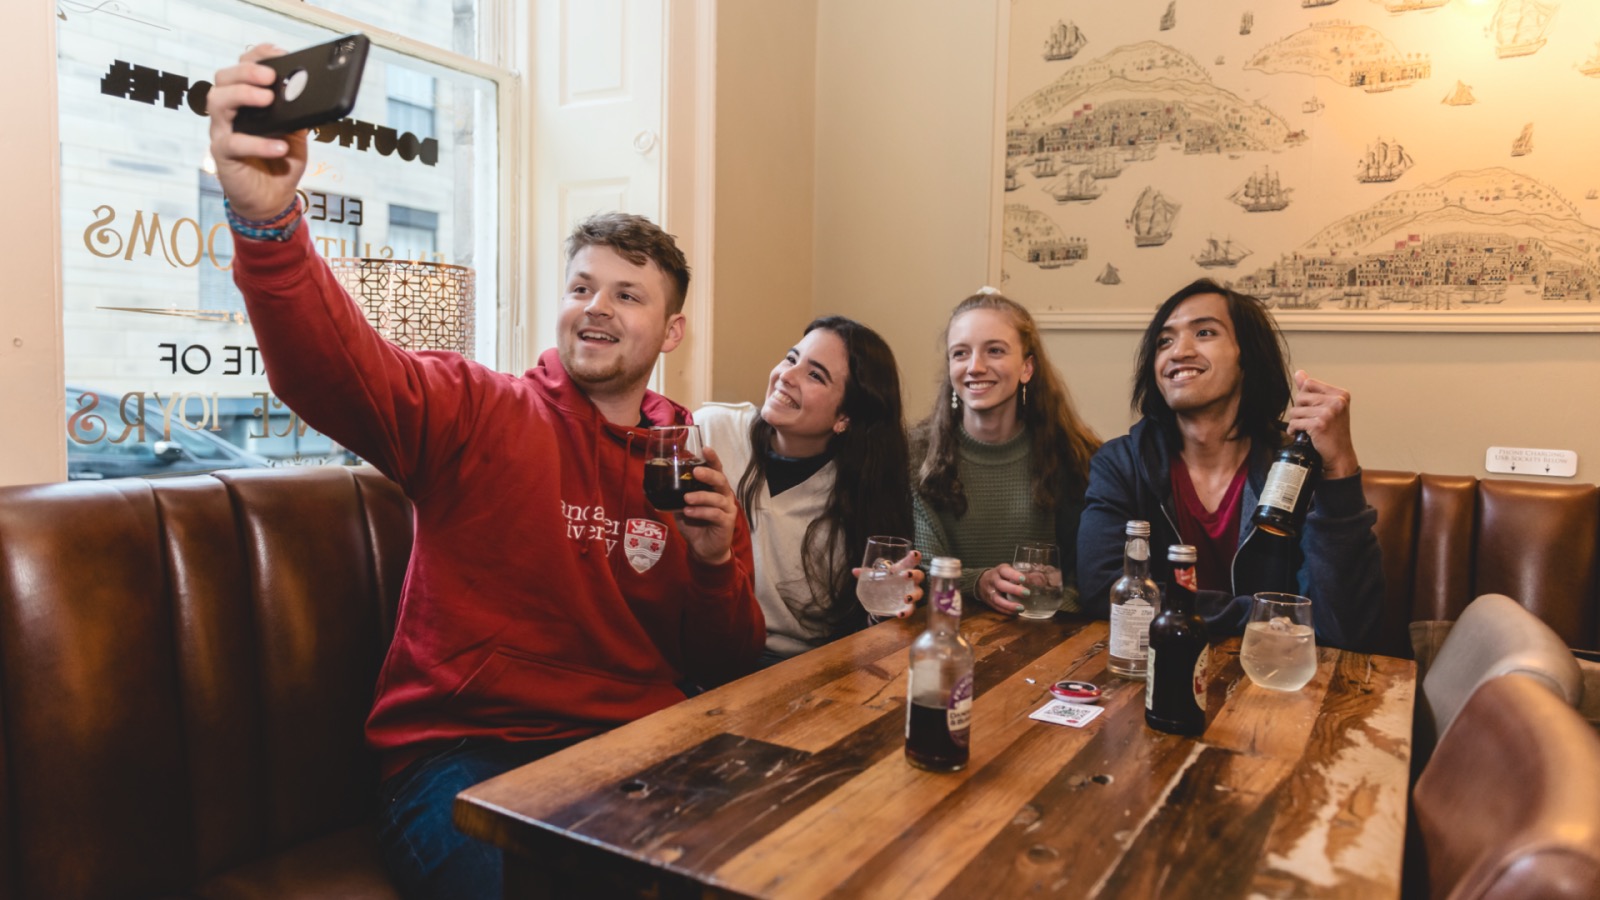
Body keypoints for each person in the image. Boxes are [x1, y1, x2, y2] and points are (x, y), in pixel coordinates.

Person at [206, 46, 764, 899]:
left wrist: (717, 563)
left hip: (637, 751)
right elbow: (330, 368)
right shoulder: (477, 409)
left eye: (627, 294)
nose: (597, 308)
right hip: (461, 758)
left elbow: (723, 662)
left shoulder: (687, 460)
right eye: (582, 287)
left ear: (671, 332)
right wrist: (268, 224)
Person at [1076, 278, 1383, 650]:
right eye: (1164, 341)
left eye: (1204, 332)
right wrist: (1267, 616)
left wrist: (1340, 468)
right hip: (1155, 672)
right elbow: (1104, 590)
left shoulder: (1295, 467)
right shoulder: (1121, 464)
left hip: (1272, 682)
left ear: (1247, 356)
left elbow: (1344, 626)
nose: (1178, 352)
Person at [697, 317, 920, 667]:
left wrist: (885, 606)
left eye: (815, 375)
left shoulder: (862, 497)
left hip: (797, 670)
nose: (786, 375)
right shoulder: (710, 432)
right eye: (790, 358)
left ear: (844, 417)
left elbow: (860, 634)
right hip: (700, 651)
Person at [912, 290, 1101, 613]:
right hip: (945, 634)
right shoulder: (916, 455)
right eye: (960, 353)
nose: (975, 367)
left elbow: (1087, 579)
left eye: (995, 351)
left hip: (1045, 639)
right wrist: (979, 582)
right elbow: (923, 571)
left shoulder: (1076, 456)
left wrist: (1044, 603)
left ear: (1027, 368)